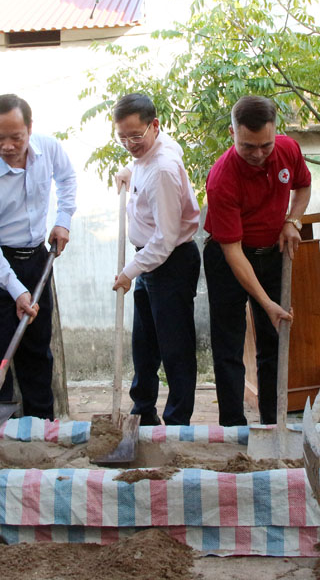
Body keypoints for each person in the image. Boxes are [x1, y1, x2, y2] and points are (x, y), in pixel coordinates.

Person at [0, 94, 77, 419]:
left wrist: (62, 220)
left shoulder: (48, 149)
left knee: (37, 346)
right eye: (0, 138)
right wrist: (16, 290)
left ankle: (41, 425)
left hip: (36, 256)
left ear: (30, 128)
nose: (8, 146)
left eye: (16, 137)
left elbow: (67, 179)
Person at [204, 95, 311, 426]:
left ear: (275, 132)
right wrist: (265, 302)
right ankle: (233, 427)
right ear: (232, 134)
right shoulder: (222, 178)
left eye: (265, 145)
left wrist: (293, 220)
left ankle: (272, 422)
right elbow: (234, 253)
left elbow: (303, 186)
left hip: (273, 253)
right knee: (229, 346)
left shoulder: (288, 149)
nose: (259, 154)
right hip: (229, 259)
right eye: (248, 146)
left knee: (273, 343)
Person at [110, 94, 201, 426]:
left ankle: (177, 423)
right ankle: (143, 411)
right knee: (144, 344)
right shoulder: (151, 152)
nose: (130, 144)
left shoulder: (163, 169)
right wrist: (127, 172)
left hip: (170, 262)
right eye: (122, 137)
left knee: (174, 348)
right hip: (148, 261)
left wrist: (128, 272)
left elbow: (164, 241)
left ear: (155, 126)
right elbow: (141, 164)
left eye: (136, 136)